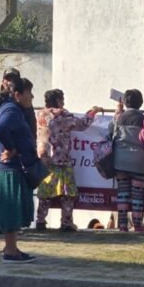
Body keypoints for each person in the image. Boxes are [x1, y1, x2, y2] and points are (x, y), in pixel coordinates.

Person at [34, 89, 106, 232]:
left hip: (46, 160)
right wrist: (93, 111)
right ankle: (66, 222)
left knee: (45, 194)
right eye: (62, 98)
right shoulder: (63, 116)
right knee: (68, 193)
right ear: (58, 100)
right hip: (62, 159)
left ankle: (40, 221)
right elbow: (82, 124)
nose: (64, 101)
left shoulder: (41, 115)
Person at [0, 77, 39, 263]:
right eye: (29, 93)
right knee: (11, 210)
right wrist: (10, 148)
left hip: (11, 167)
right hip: (10, 168)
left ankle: (12, 248)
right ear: (17, 94)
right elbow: (0, 128)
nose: (32, 96)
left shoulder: (10, 108)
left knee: (14, 209)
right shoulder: (11, 109)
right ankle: (10, 251)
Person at [109, 89, 144, 232]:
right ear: (141, 102)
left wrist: (118, 112)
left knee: (122, 194)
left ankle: (122, 225)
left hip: (120, 161)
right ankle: (138, 225)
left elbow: (110, 133)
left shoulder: (118, 118)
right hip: (140, 161)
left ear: (125, 102)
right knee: (137, 194)